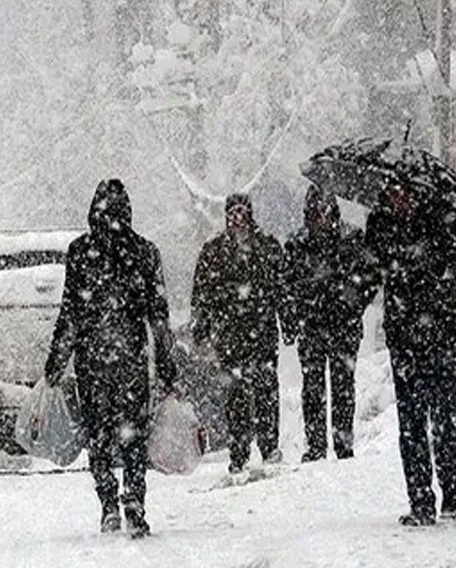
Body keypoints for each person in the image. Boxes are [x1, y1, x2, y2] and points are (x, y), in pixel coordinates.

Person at [45, 179, 177, 539]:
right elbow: (158, 316)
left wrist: (57, 361)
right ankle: (134, 503)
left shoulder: (81, 252)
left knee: (99, 437)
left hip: (93, 361)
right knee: (133, 438)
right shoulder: (145, 252)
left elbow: (70, 312)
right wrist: (167, 365)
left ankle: (108, 506)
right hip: (131, 361)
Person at [365, 182, 456, 526]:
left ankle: (451, 491)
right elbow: (368, 274)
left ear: (416, 193)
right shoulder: (382, 224)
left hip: (442, 335)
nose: (399, 200)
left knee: (445, 418)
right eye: (392, 194)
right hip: (404, 340)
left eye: (404, 193)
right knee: (411, 424)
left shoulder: (445, 221)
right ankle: (420, 501)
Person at [191, 193, 295, 474]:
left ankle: (269, 446)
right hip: (229, 334)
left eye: (242, 212)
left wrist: (288, 321)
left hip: (261, 331)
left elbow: (282, 288)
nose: (237, 218)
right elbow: (201, 294)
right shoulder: (214, 251)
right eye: (233, 213)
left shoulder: (267, 247)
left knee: (266, 391)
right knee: (236, 396)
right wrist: (201, 330)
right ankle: (238, 453)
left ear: (250, 214)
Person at [286, 186, 377, 462]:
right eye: (316, 211)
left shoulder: (351, 240)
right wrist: (299, 312)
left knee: (343, 388)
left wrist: (353, 304)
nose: (321, 217)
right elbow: (287, 285)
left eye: (325, 210)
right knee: (313, 388)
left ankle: (343, 443)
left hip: (343, 326)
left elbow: (369, 278)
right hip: (312, 327)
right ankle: (315, 445)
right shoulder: (297, 245)